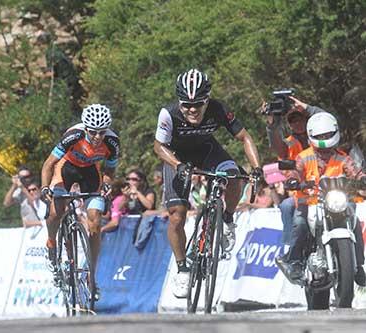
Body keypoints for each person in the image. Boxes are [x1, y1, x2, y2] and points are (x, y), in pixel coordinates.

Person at [154, 68, 262, 298]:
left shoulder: (219, 109)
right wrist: (178, 165)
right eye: (186, 105)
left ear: (208, 99)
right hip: (176, 158)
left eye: (198, 104)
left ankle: (227, 219)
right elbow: (158, 147)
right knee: (177, 215)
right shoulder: (168, 114)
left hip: (207, 151)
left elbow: (244, 137)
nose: (192, 110)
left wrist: (257, 169)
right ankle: (182, 268)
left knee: (234, 177)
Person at [275, 112, 366, 287]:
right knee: (300, 224)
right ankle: (293, 262)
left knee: (354, 223)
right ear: (311, 136)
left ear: (335, 133)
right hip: (309, 201)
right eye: (320, 136)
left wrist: (362, 178)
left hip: (338, 202)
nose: (324, 140)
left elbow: (355, 171)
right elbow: (295, 170)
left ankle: (359, 265)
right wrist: (293, 180)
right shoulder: (304, 156)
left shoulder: (343, 158)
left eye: (327, 135)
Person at [40, 104, 119, 285]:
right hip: (66, 169)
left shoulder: (112, 142)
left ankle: (92, 274)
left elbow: (110, 170)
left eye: (102, 132)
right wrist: (45, 188)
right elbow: (48, 164)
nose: (98, 137)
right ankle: (52, 242)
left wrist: (107, 184)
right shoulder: (73, 136)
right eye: (93, 132)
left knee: (95, 221)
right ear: (86, 128)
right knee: (56, 212)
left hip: (90, 173)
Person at [265, 97, 325, 248]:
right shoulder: (288, 143)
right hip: (301, 191)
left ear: (306, 120)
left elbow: (327, 120)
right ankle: (290, 250)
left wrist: (307, 107)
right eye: (292, 121)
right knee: (286, 206)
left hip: (326, 188)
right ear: (289, 124)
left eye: (300, 119)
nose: (297, 124)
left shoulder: (319, 136)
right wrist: (272, 125)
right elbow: (277, 146)